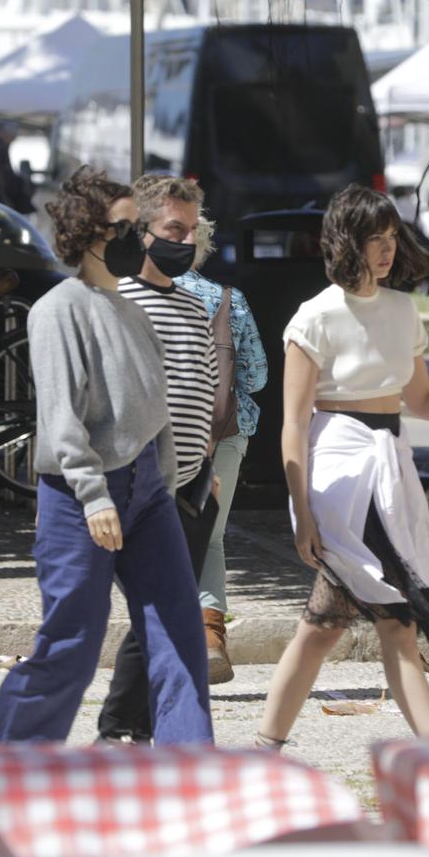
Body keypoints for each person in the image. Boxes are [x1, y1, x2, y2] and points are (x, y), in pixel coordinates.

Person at [254, 185, 429, 750]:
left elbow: (421, 402)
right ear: (346, 242)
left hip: (389, 471)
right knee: (387, 618)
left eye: (392, 238)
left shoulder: (403, 309)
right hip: (336, 473)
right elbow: (293, 426)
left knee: (340, 623)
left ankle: (268, 747)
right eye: (375, 239)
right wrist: (302, 514)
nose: (386, 250)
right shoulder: (315, 317)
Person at [0, 167, 212, 746]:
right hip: (82, 499)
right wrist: (94, 493)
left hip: (148, 492)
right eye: (124, 227)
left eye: (136, 226)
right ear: (89, 233)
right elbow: (60, 418)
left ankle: (189, 764)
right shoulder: (58, 309)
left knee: (179, 629)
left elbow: (156, 410)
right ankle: (1, 749)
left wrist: (169, 480)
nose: (137, 239)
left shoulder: (131, 311)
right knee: (72, 642)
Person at [93, 174, 224, 746]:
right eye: (174, 229)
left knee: (166, 614)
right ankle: (123, 726)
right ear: (142, 232)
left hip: (193, 484)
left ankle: (135, 727)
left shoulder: (196, 310)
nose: (185, 241)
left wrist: (206, 471)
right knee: (162, 613)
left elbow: (205, 390)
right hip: (145, 483)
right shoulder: (124, 305)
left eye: (192, 231)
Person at [175, 217, 268, 685]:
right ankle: (212, 640)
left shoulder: (135, 298)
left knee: (155, 539)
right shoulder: (228, 299)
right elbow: (257, 376)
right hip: (224, 433)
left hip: (159, 437)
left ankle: (162, 647)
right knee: (209, 538)